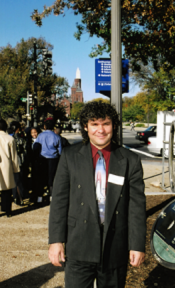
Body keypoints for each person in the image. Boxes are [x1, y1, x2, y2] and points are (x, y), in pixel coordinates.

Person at [48, 101, 146, 288]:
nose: (100, 130)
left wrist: (137, 244)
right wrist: (55, 241)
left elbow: (136, 207)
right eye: (94, 124)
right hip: (79, 244)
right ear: (86, 127)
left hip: (115, 246)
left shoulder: (130, 160)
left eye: (106, 123)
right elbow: (59, 202)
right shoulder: (70, 156)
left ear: (113, 126)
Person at [34, 118, 62, 197]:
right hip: (53, 159)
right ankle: (52, 196)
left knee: (42, 176)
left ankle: (40, 197)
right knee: (52, 177)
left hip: (42, 158)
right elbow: (60, 151)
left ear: (45, 126)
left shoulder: (40, 135)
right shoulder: (57, 137)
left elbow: (35, 147)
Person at [0, 119, 20, 217]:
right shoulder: (10, 139)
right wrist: (16, 169)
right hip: (6, 165)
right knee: (7, 189)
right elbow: (14, 156)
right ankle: (8, 210)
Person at [10, 121, 27, 205]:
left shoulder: (10, 138)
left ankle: (15, 196)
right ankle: (20, 197)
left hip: (10, 161)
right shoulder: (22, 139)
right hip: (20, 161)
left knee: (13, 180)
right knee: (19, 180)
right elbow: (25, 151)